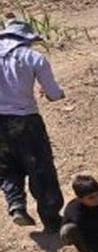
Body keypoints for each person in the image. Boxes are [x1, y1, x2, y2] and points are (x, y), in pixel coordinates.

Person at [0, 19, 66, 232]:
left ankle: (16, 204)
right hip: (26, 119)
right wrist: (54, 94)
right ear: (26, 39)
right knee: (40, 167)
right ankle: (51, 218)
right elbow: (54, 94)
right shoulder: (33, 58)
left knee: (8, 165)